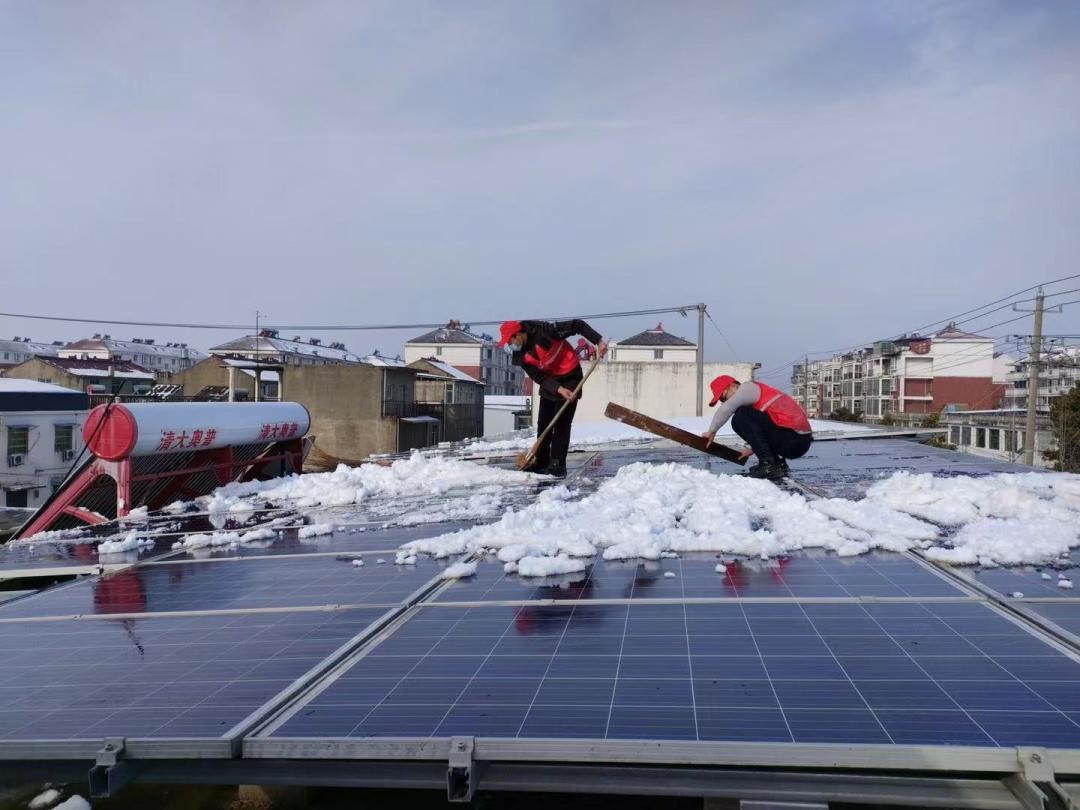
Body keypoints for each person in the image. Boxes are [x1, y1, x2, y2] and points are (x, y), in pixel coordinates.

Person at [499, 319, 608, 477]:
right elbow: (538, 376)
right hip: (550, 381)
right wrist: (558, 388)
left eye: (510, 340)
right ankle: (541, 461)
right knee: (544, 421)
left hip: (570, 375)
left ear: (518, 334)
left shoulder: (546, 331)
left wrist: (598, 341)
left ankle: (557, 463)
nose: (510, 344)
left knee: (562, 421)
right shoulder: (521, 356)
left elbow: (577, 325)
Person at [701, 375, 813, 480]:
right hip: (797, 441)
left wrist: (712, 431)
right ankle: (777, 464)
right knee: (740, 417)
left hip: (795, 439)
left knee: (740, 416)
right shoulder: (754, 399)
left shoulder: (748, 388)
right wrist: (754, 448)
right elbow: (767, 430)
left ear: (733, 386)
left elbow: (727, 408)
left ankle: (768, 465)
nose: (724, 402)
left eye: (723, 398)